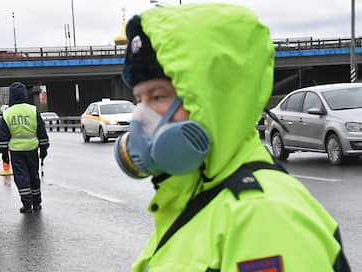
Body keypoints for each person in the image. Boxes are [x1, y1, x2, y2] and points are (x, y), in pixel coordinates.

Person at [114, 3, 351, 271]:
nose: (139, 117)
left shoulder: (262, 217)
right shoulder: (199, 195)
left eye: (157, 97)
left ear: (214, 100)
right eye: (139, 99)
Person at [0, 82, 49, 213]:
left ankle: (27, 204)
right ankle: (37, 202)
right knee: (34, 175)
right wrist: (44, 148)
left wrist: (3, 153)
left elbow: (3, 137)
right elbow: (41, 131)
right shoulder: (33, 110)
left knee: (21, 177)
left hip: (16, 151)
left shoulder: (8, 113)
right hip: (32, 149)